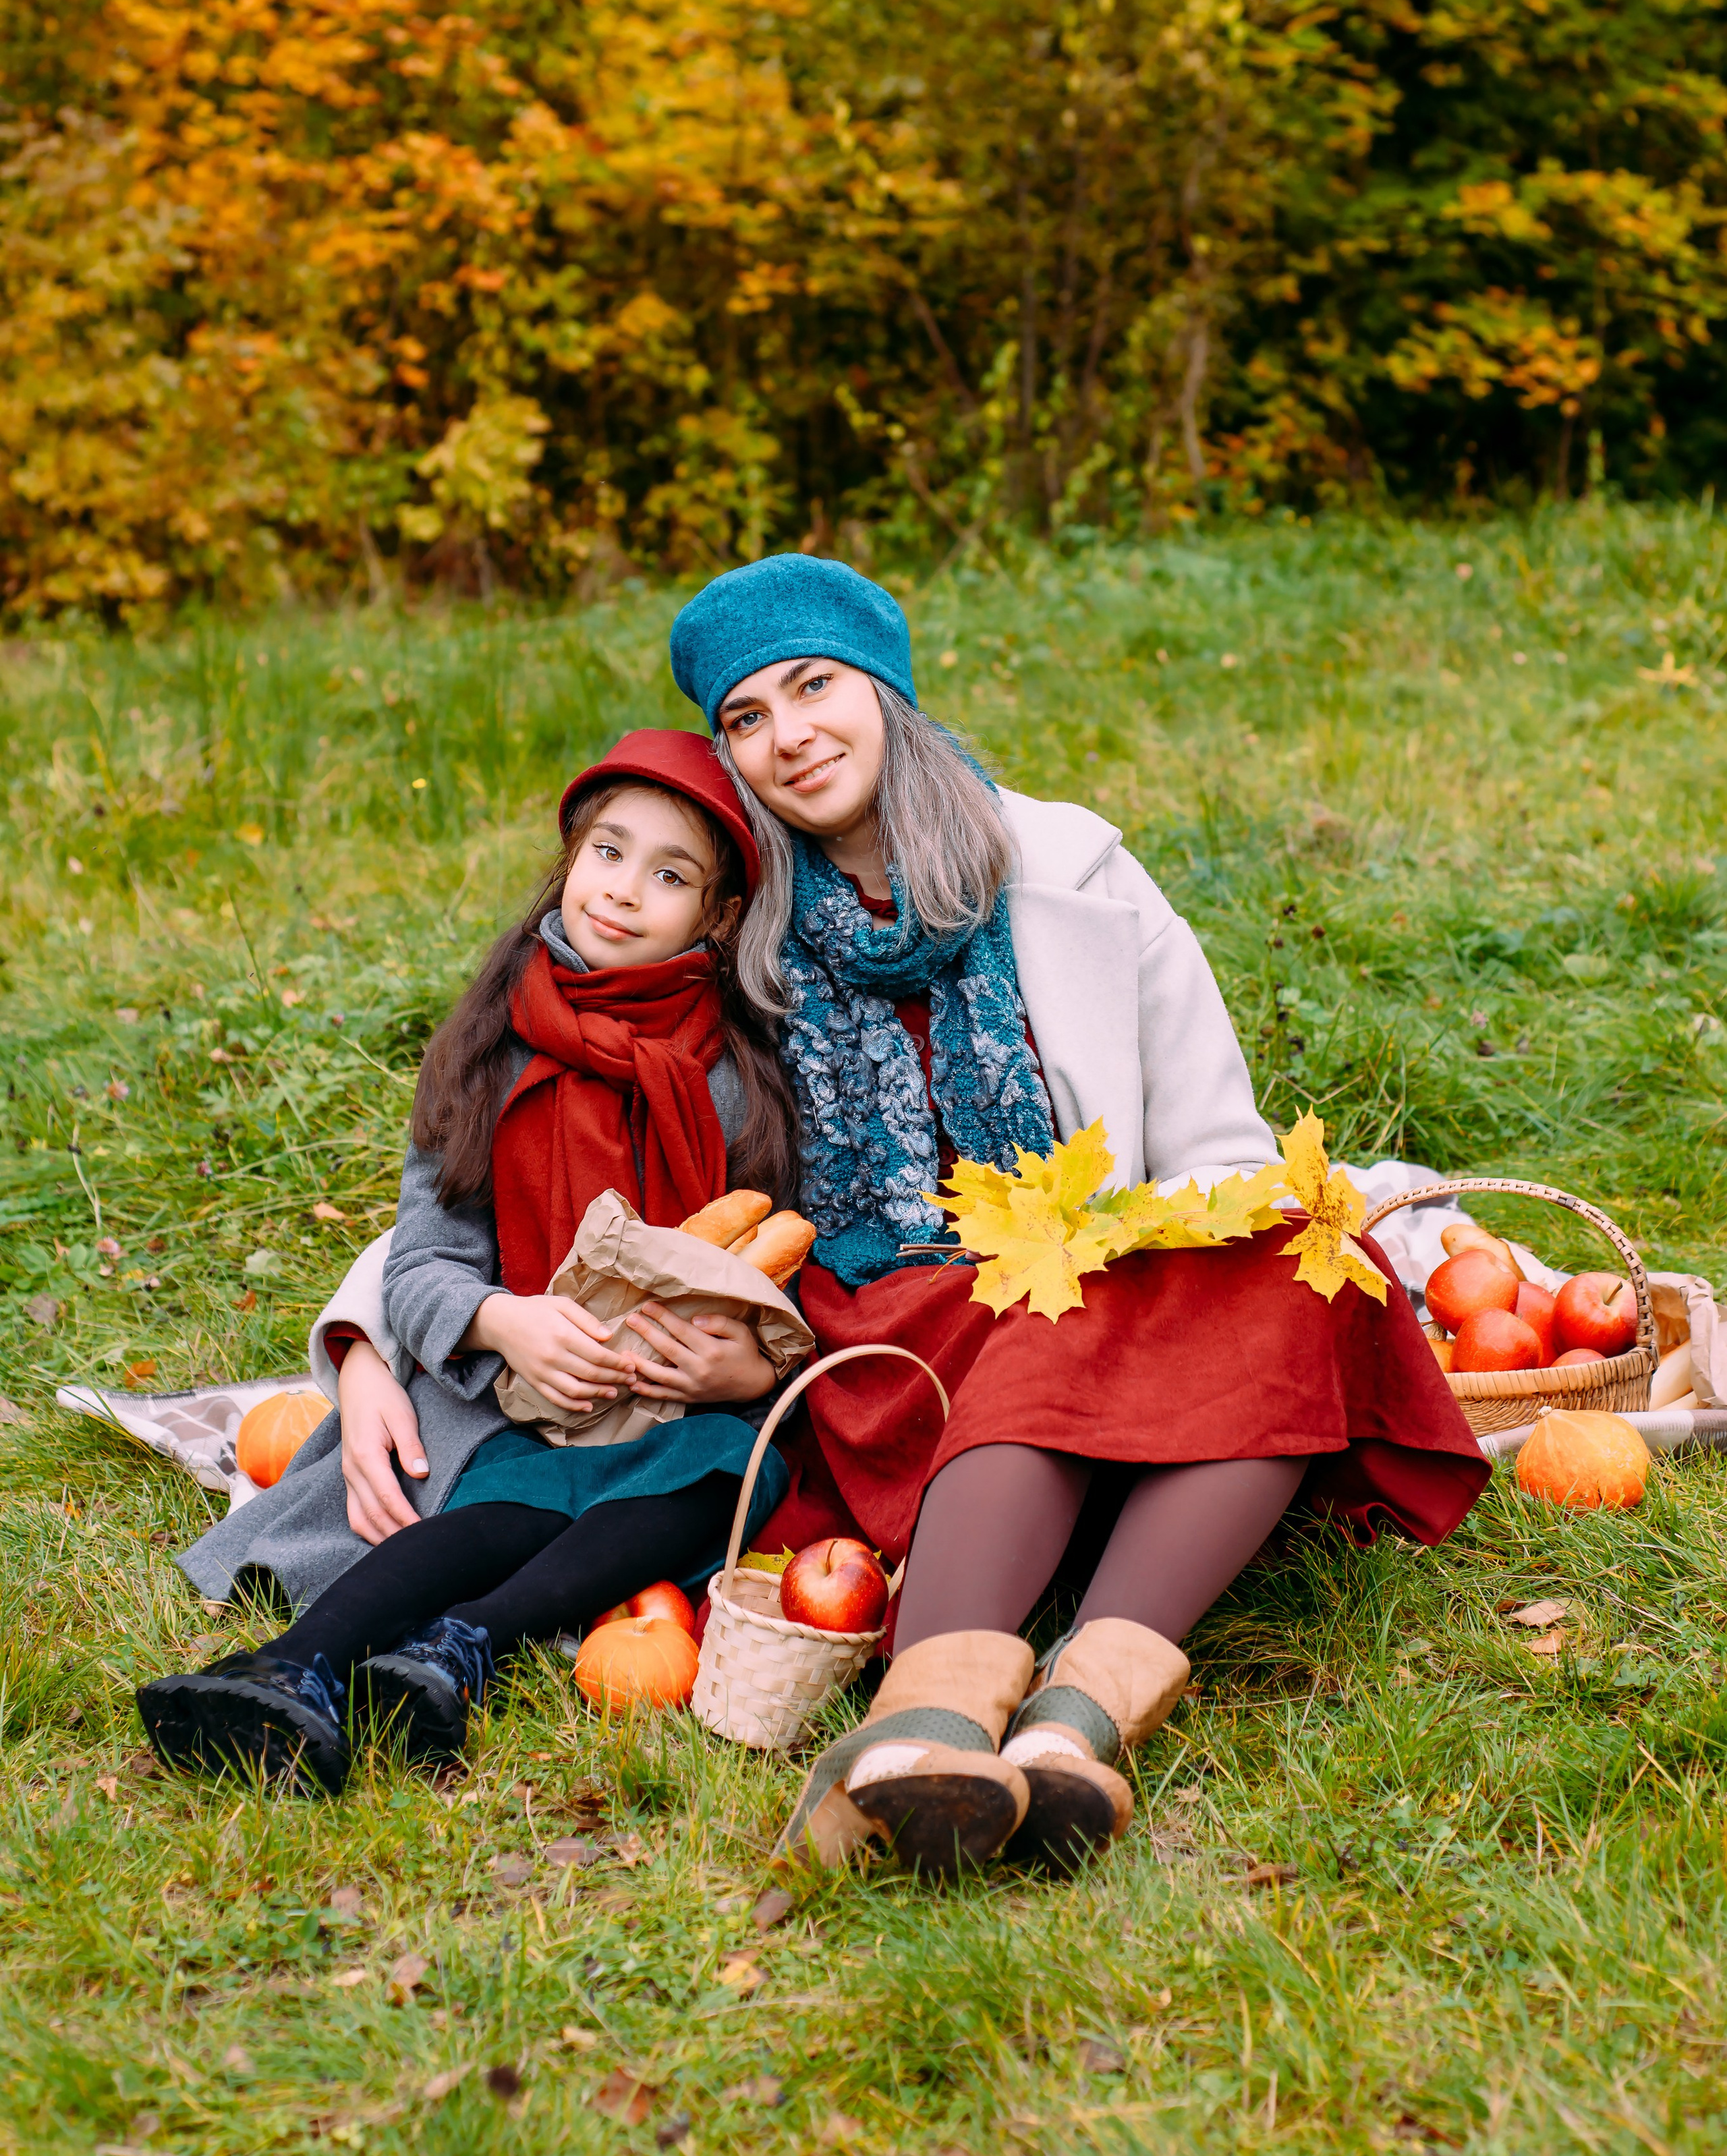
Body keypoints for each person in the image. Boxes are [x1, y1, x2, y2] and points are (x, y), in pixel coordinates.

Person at [339, 560, 1489, 1877]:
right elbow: (513, 1139)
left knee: (1306, 1261)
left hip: (1086, 1267)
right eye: (748, 717)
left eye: (814, 687)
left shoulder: (1068, 871)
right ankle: (919, 1731)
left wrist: (1165, 1251)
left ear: (883, 688)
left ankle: (1074, 1723)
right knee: (1036, 1319)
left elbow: (1220, 1150)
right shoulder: (727, 914)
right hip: (870, 1334)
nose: (789, 735)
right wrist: (366, 1340)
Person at [141, 731, 800, 1792]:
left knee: (737, 1469)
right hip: (510, 1394)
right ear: (572, 857)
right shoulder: (490, 1051)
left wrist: (745, 1364)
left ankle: (462, 1647)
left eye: (670, 875)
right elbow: (421, 1264)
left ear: (719, 918)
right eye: (608, 852)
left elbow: (774, 1263)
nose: (623, 890)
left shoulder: (736, 1076)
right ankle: (290, 1667)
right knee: (503, 1488)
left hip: (667, 1408)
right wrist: (504, 1321)